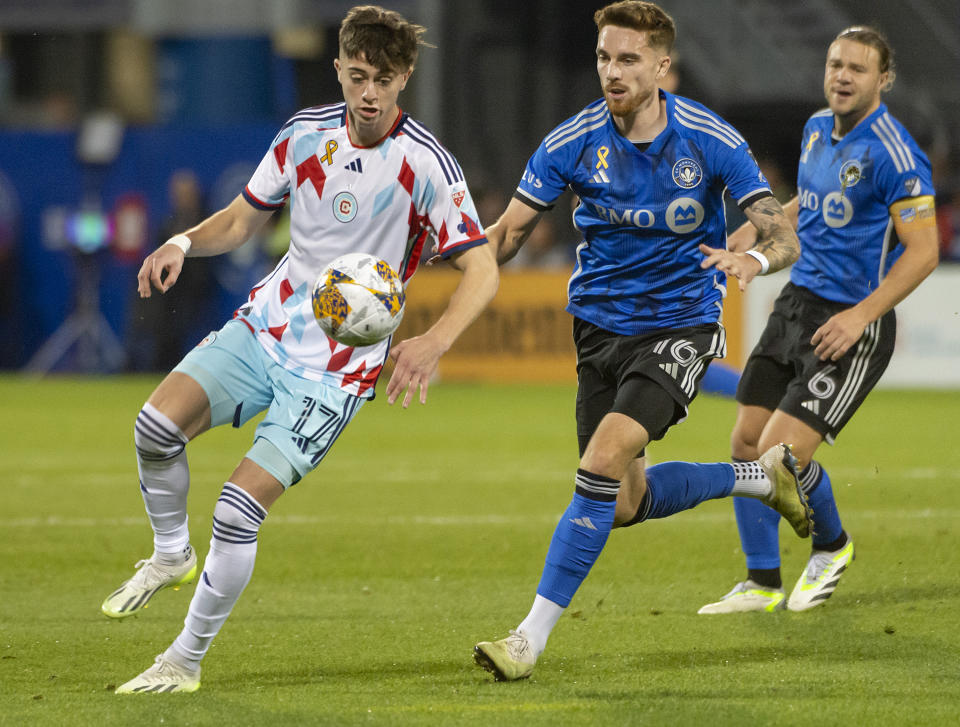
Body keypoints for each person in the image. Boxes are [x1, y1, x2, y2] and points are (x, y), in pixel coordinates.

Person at [103, 5, 498, 694]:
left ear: (403, 77)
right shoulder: (304, 135)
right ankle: (171, 553)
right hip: (266, 328)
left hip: (335, 373)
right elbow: (240, 218)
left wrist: (433, 342)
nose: (367, 92)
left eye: (381, 78)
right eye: (355, 76)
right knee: (154, 427)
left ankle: (184, 660)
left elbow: (483, 268)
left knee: (236, 508)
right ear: (340, 70)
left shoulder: (425, 164)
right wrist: (182, 242)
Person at [473, 0, 808, 682]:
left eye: (628, 59)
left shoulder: (710, 139)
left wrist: (755, 260)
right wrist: (443, 285)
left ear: (662, 66)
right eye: (604, 57)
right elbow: (503, 237)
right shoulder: (571, 141)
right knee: (621, 501)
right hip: (598, 331)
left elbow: (782, 233)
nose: (612, 71)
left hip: (679, 325)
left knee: (599, 462)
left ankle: (527, 639)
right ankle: (760, 477)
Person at [698, 27, 939, 615]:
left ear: (883, 79)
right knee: (746, 442)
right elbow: (809, 198)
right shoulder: (814, 129)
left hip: (852, 323)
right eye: (835, 64)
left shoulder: (896, 154)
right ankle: (761, 581)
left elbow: (925, 249)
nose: (842, 76)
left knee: (778, 456)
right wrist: (759, 227)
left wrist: (861, 316)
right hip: (797, 302)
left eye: (857, 68)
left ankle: (832, 546)